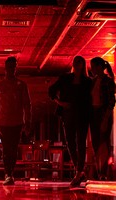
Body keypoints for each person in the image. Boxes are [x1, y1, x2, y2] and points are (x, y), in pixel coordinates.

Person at [48, 56, 92, 186]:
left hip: (82, 114)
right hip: (68, 113)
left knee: (80, 142)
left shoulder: (87, 81)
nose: (78, 66)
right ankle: (79, 169)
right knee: (71, 142)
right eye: (76, 63)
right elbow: (51, 90)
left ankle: (79, 170)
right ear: (73, 64)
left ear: (83, 65)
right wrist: (60, 102)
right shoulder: (66, 78)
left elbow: (90, 99)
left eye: (80, 63)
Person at [0, 56, 32, 185]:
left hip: (17, 122)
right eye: (10, 67)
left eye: (14, 67)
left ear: (15, 69)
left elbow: (27, 105)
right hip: (3, 123)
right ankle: (8, 174)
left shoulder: (21, 85)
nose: (12, 70)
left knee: (13, 149)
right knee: (7, 149)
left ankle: (9, 173)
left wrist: (27, 122)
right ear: (6, 68)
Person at [89, 57, 116, 180]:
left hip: (103, 113)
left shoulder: (108, 82)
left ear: (99, 67)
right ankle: (99, 171)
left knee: (103, 144)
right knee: (96, 144)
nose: (92, 69)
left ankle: (103, 172)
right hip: (94, 114)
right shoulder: (93, 81)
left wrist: (105, 118)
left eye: (94, 66)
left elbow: (111, 102)